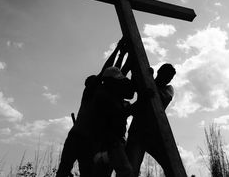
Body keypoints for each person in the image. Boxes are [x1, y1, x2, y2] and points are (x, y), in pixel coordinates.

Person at [56, 39, 126, 177]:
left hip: (88, 141)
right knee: (64, 170)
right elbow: (106, 70)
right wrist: (118, 50)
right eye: (95, 79)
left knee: (85, 173)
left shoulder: (101, 93)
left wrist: (121, 55)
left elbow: (112, 71)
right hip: (78, 137)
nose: (98, 78)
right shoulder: (90, 91)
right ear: (90, 83)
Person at [126, 63, 176, 177]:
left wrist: (149, 85)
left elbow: (162, 98)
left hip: (154, 134)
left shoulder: (168, 89)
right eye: (166, 76)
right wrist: (145, 82)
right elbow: (138, 99)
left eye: (170, 78)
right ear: (159, 72)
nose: (168, 80)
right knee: (131, 169)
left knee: (171, 165)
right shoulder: (147, 83)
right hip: (138, 132)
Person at [95, 66, 136, 177]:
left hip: (109, 143)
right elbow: (120, 113)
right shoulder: (105, 97)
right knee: (126, 172)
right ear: (110, 82)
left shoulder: (112, 96)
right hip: (110, 142)